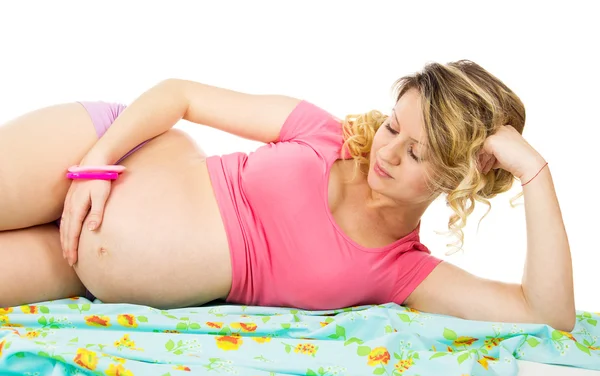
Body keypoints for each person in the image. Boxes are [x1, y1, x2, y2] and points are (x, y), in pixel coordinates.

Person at [0, 59, 575, 331]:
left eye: (417, 154)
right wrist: (98, 165)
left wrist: (535, 171)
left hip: (77, 263)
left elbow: (548, 316)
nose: (389, 151)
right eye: (394, 126)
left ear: (457, 179)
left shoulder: (401, 272)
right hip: (106, 152)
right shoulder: (323, 133)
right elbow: (181, 94)